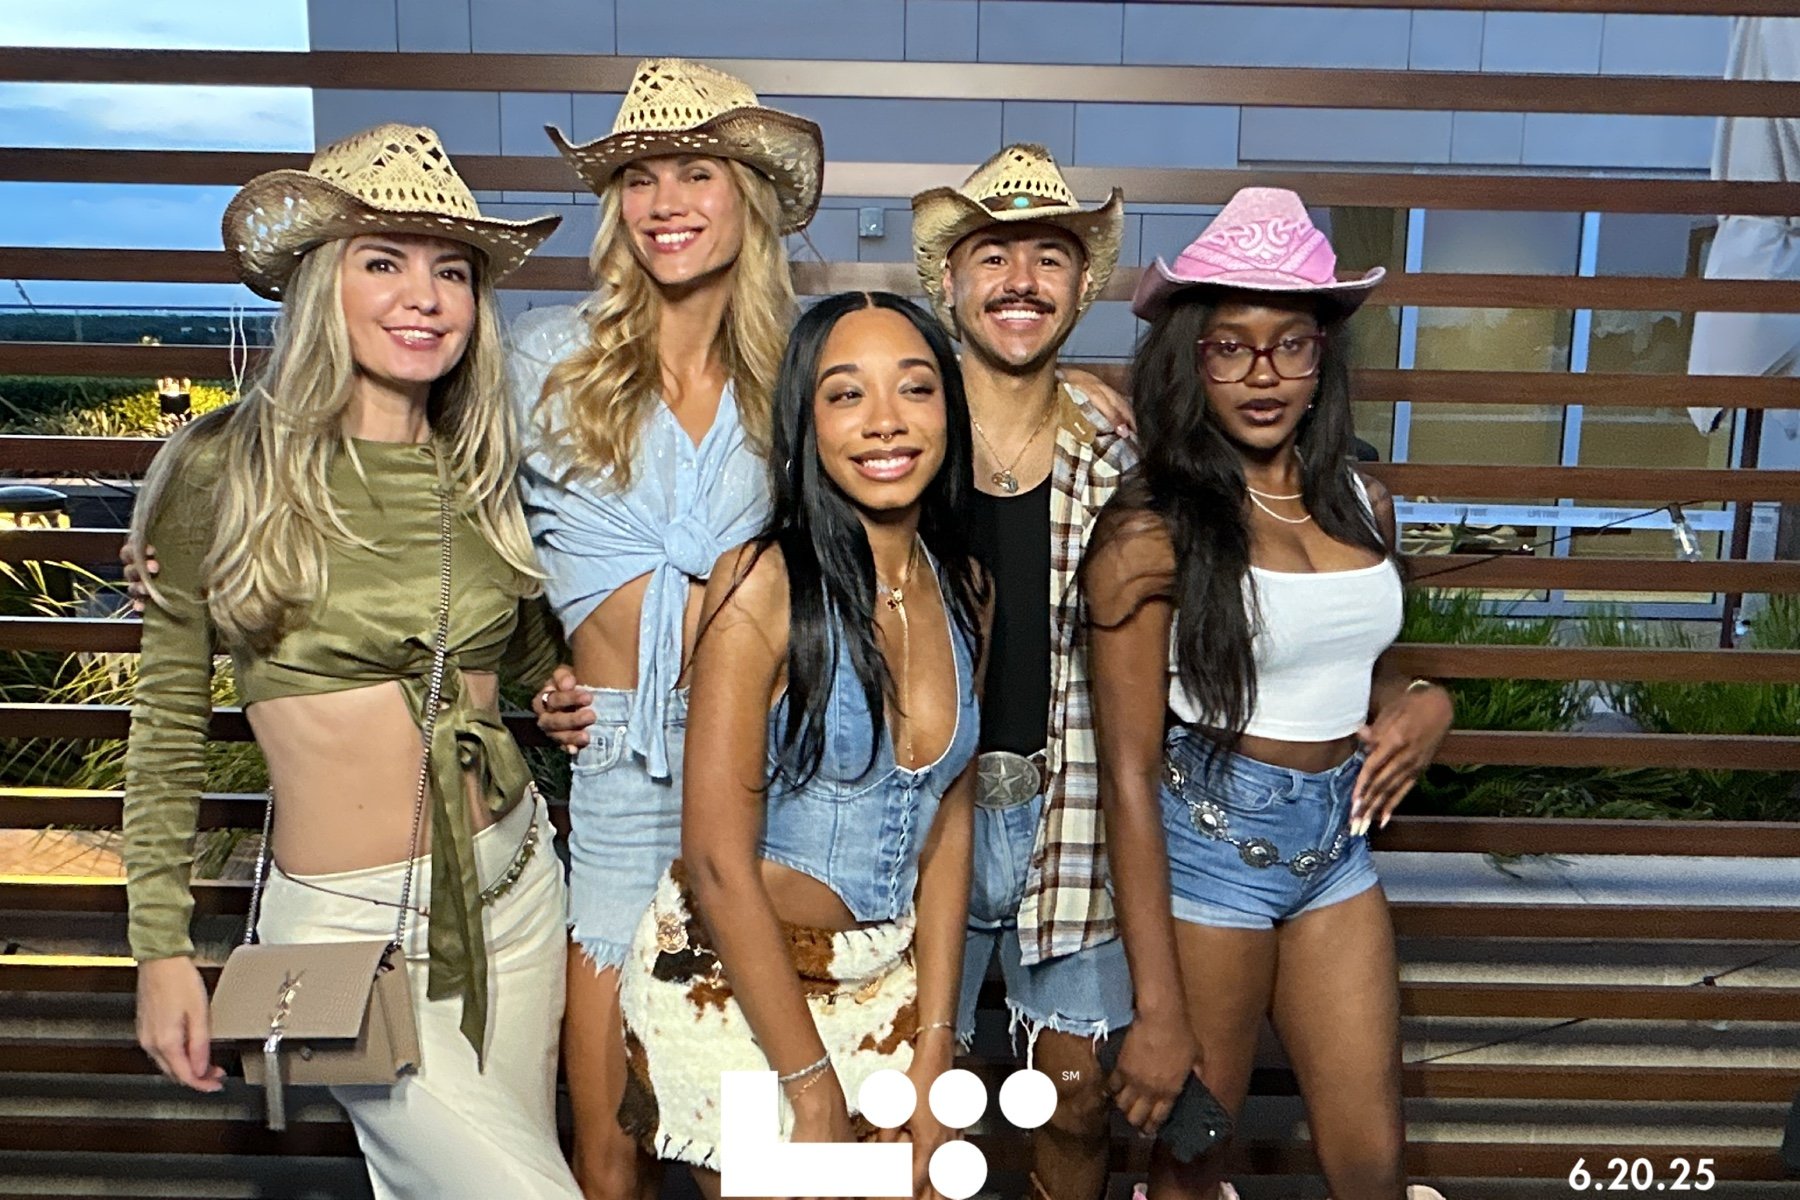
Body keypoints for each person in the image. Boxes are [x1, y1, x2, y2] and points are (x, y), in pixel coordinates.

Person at [123, 125, 582, 1198]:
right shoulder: (222, 469)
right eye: (385, 262)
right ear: (322, 282)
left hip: (515, 891)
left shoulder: (479, 467)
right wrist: (160, 949)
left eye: (452, 271)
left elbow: (518, 647)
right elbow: (168, 727)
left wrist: (561, 687)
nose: (425, 296)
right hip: (341, 930)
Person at [1081, 188, 1455, 1200]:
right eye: (1231, 347)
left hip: (1338, 845)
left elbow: (1352, 658)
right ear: (1191, 359)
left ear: (1322, 359)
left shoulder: (1363, 502)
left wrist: (1427, 699)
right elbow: (1127, 772)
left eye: (1290, 345)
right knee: (1192, 1166)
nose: (1262, 374)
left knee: (1372, 1166)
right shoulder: (1148, 533)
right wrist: (1157, 1006)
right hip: (1210, 848)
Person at [510, 59, 823, 1200]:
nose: (664, 201)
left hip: (768, 770)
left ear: (749, 196)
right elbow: (447, 513)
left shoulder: (802, 365)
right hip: (622, 765)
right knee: (608, 1142)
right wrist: (540, 669)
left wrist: (1073, 396)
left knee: (747, 1147)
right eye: (639, 178)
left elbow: (909, 483)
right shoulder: (544, 355)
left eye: (697, 172)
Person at [615, 291, 988, 1198]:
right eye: (846, 394)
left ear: (949, 410)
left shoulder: (968, 586)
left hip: (885, 979)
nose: (886, 420)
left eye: (915, 388)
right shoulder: (760, 580)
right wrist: (812, 1093)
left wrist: (937, 1043)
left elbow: (948, 825)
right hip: (738, 989)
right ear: (806, 422)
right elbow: (715, 860)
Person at [909, 144, 1137, 1200]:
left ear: (1081, 288)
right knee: (908, 1102)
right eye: (993, 255)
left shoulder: (1119, 455)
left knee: (1079, 1101)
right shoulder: (898, 439)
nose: (1020, 281)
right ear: (948, 281)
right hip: (921, 821)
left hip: (1073, 816)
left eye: (1049, 257)